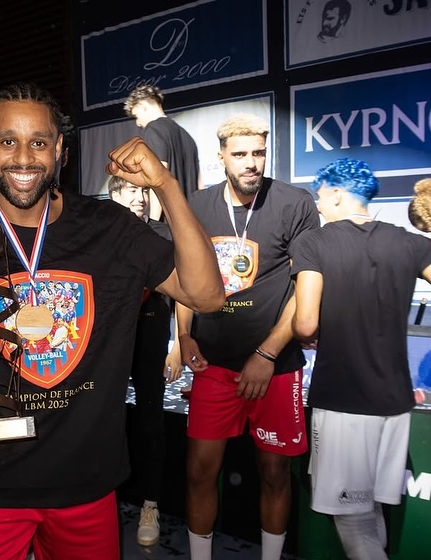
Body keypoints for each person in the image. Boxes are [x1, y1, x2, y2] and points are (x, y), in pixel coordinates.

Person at [0, 82, 224, 560]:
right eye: (8, 141)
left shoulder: (109, 228)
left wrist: (167, 185)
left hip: (85, 483)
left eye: (39, 142)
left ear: (59, 149)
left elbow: (207, 295)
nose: (23, 157)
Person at [176, 113, 319, 560]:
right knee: (200, 472)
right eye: (240, 154)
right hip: (213, 365)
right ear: (222, 158)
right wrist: (183, 334)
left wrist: (267, 352)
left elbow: (303, 288)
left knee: (275, 473)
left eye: (258, 152)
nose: (251, 162)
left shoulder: (296, 203)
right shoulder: (197, 204)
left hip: (274, 367)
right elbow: (184, 274)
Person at [290, 158, 431, 560]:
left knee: (352, 520)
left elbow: (303, 323)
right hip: (395, 401)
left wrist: (315, 335)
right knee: (370, 512)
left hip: (344, 401)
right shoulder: (411, 242)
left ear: (336, 192)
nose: (318, 206)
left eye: (320, 197)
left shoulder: (314, 242)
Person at [108, 175, 178, 547]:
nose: (139, 198)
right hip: (110, 341)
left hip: (150, 335)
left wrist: (180, 342)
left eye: (144, 191)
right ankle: (106, 497)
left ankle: (151, 503)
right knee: (105, 418)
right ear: (115, 194)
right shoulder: (102, 233)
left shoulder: (163, 234)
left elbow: (183, 286)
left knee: (151, 419)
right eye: (131, 191)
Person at [123, 84, 201, 216]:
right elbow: (200, 186)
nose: (138, 123)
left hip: (169, 224)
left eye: (136, 116)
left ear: (143, 106)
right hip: (191, 223)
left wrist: (154, 223)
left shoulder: (153, 130)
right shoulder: (187, 137)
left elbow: (158, 179)